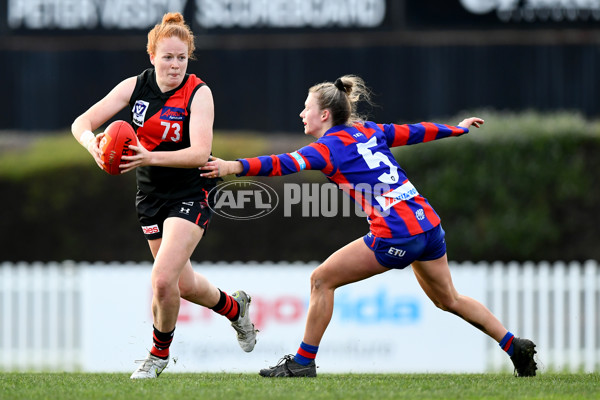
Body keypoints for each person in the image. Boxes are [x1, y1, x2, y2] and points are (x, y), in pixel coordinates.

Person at [200, 75, 537, 378]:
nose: (302, 114)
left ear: (324, 115)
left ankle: (303, 362)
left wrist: (233, 165)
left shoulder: (327, 148)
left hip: (397, 233)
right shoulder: (370, 130)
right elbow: (415, 132)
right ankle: (513, 345)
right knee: (449, 298)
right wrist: (457, 128)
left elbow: (283, 164)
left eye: (306, 108)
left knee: (321, 280)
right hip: (427, 224)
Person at [71, 12, 257, 379]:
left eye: (181, 57)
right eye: (168, 57)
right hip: (151, 196)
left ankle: (157, 356)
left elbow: (201, 153)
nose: (175, 65)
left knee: (161, 280)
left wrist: (148, 155)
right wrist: (92, 144)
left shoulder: (199, 92)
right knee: (183, 285)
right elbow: (81, 123)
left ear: (189, 58)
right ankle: (236, 309)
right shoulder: (135, 87)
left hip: (192, 190)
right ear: (152, 55)